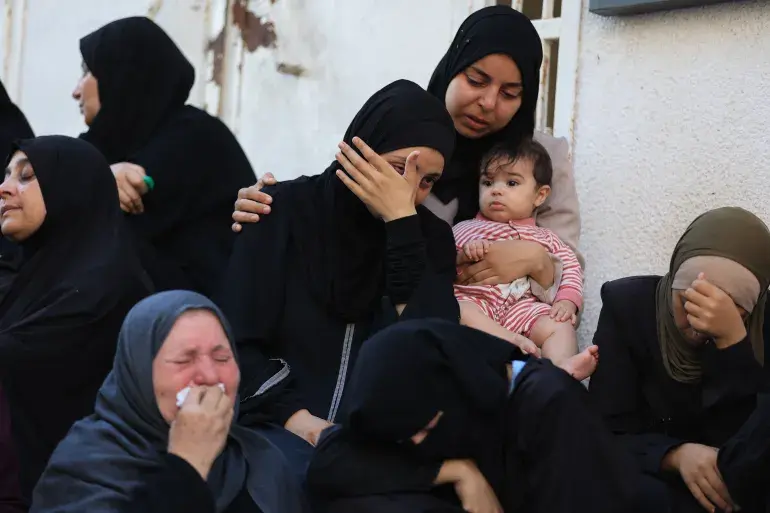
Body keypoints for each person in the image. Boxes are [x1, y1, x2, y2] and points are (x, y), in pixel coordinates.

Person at [231, 6, 575, 295]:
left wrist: (536, 260)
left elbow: (568, 276)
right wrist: (271, 207)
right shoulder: (408, 132)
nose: (487, 102)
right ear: (453, 66)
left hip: (512, 333)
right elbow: (342, 213)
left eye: (510, 93)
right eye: (476, 80)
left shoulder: (542, 158)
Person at [217, 80, 458, 477]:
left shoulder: (429, 239)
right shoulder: (281, 212)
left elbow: (431, 350)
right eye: (398, 168)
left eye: (427, 181)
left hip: (378, 451)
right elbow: (235, 343)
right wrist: (302, 422)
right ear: (359, 149)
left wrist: (401, 227)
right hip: (271, 433)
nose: (409, 191)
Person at [308, 319, 643, 513]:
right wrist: (458, 471)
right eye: (404, 436)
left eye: (426, 426)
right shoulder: (401, 406)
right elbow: (331, 461)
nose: (417, 442)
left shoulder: (546, 404)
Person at [31, 291, 306, 513]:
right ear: (139, 374)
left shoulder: (260, 461)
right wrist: (188, 463)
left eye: (222, 358)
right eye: (184, 360)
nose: (210, 376)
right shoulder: (85, 471)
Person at [0, 136, 151, 506]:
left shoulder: (107, 287)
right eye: (6, 176)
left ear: (70, 188)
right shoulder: (28, 280)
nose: (4, 188)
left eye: (26, 176)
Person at [588, 207, 770, 513]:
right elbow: (604, 430)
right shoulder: (629, 307)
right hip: (650, 484)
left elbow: (754, 445)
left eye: (730, 309)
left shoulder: (762, 328)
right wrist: (673, 455)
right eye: (689, 301)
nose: (701, 321)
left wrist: (733, 344)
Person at [72, 16, 255, 297]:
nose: (76, 91)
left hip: (198, 310)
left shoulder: (194, 137)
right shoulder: (106, 143)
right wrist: (98, 176)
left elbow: (107, 219)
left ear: (122, 74)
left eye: (87, 72)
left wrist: (94, 181)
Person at [452, 139, 594, 378]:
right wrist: (464, 256)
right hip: (477, 306)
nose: (496, 190)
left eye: (511, 183)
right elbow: (443, 267)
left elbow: (570, 267)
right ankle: (510, 340)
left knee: (558, 325)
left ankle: (560, 369)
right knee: (458, 309)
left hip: (522, 309)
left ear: (540, 195)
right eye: (488, 182)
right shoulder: (464, 229)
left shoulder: (546, 237)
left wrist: (567, 301)